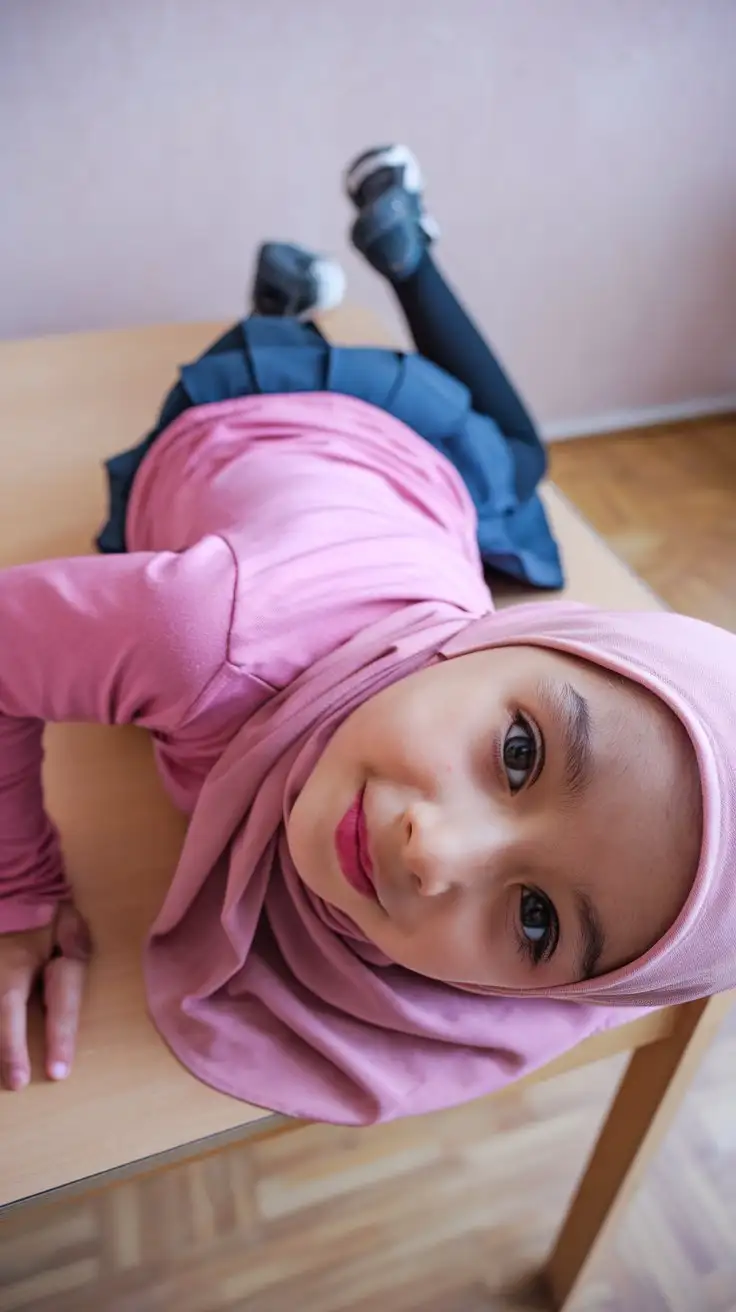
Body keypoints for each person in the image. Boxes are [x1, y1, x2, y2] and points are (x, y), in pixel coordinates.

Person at [0, 147, 732, 1127]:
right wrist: (20, 890)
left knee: (518, 457)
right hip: (271, 412)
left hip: (409, 502)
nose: (434, 850)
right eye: (517, 752)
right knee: (513, 453)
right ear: (498, 642)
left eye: (534, 916)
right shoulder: (206, 626)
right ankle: (338, 288)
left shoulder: (555, 879)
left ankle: (347, 269)